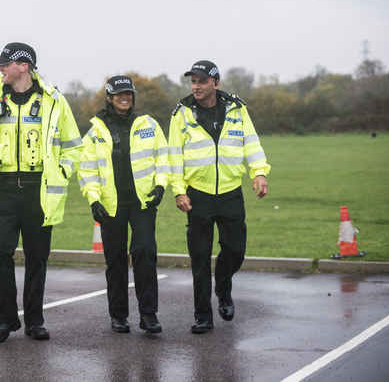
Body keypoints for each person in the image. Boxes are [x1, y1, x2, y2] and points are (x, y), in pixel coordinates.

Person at [0, 42, 82, 344]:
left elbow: (74, 146)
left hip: (38, 191)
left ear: (24, 66)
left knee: (37, 258)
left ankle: (35, 320)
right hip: (2, 190)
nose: (0, 69)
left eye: (5, 63)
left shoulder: (54, 102)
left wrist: (63, 171)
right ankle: (5, 319)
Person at [168, 60, 270, 334]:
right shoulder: (182, 114)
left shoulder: (237, 109)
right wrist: (178, 190)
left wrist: (259, 173)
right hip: (197, 195)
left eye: (201, 81)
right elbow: (174, 155)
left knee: (236, 251)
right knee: (199, 259)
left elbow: (252, 143)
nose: (196, 87)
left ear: (216, 82)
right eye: (193, 81)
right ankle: (203, 315)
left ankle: (223, 285)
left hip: (230, 193)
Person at [78, 75, 169, 334]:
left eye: (128, 93)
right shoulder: (96, 130)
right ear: (109, 97)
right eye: (119, 94)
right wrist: (93, 199)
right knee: (115, 261)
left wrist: (161, 185)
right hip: (110, 206)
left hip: (142, 203)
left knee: (145, 255)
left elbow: (163, 157)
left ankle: (149, 315)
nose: (124, 98)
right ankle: (118, 316)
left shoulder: (148, 124)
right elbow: (87, 169)